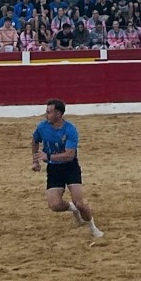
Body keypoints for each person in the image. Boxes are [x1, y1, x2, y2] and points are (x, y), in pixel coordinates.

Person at [30, 99, 103, 239]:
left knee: (80, 203)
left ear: (58, 113)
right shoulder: (42, 127)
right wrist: (35, 161)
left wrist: (48, 155)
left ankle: (92, 227)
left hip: (70, 168)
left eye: (48, 112)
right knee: (55, 205)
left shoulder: (70, 129)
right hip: (54, 169)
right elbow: (34, 141)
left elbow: (69, 155)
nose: (46, 114)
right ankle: (73, 208)